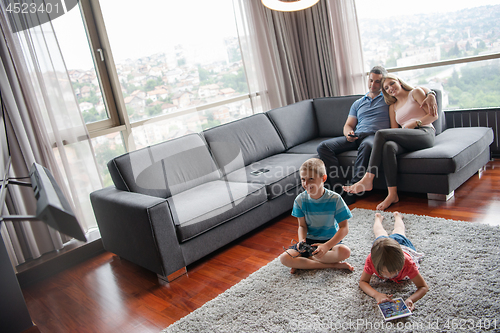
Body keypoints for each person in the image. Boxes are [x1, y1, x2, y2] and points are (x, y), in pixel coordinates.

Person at [317, 66, 437, 206]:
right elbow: (348, 125)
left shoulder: (388, 99)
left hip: (374, 137)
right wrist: (347, 133)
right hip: (356, 135)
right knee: (323, 146)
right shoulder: (358, 103)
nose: (373, 85)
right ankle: (340, 188)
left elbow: (414, 90)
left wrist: (431, 93)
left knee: (368, 145)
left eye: (378, 82)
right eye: (371, 80)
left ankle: (357, 185)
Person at [279, 158, 354, 274]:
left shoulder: (335, 199)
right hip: (309, 242)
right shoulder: (299, 200)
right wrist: (301, 241)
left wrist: (325, 246)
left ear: (323, 178)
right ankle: (333, 265)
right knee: (284, 258)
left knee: (345, 251)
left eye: (311, 179)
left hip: (330, 241)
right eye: (303, 179)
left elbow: (344, 228)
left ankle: (304, 263)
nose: (306, 183)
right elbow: (302, 226)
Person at [359, 212, 429, 311]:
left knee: (399, 230)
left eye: (395, 272)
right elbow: (362, 282)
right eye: (384, 273)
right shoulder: (371, 260)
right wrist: (376, 295)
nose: (390, 276)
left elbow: (423, 287)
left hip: (401, 245)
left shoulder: (407, 262)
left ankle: (398, 216)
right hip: (381, 246)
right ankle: (378, 218)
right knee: (379, 233)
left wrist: (411, 299)